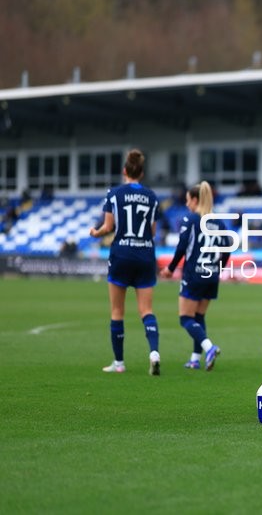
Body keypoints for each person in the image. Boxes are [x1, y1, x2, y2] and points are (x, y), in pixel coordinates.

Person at [89, 149, 162, 375]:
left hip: (121, 254)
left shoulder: (114, 194)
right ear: (141, 173)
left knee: (117, 311)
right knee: (146, 310)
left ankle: (119, 363)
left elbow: (108, 227)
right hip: (145, 255)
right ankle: (154, 353)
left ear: (124, 171)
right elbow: (152, 231)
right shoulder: (152, 196)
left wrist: (96, 232)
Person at [160, 181, 229, 371]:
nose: (186, 204)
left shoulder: (191, 219)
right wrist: (219, 269)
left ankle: (209, 348)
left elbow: (182, 246)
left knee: (186, 318)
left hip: (194, 275)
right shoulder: (219, 222)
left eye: (188, 200)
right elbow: (227, 249)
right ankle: (195, 359)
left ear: (195, 200)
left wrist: (170, 268)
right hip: (211, 275)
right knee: (199, 316)